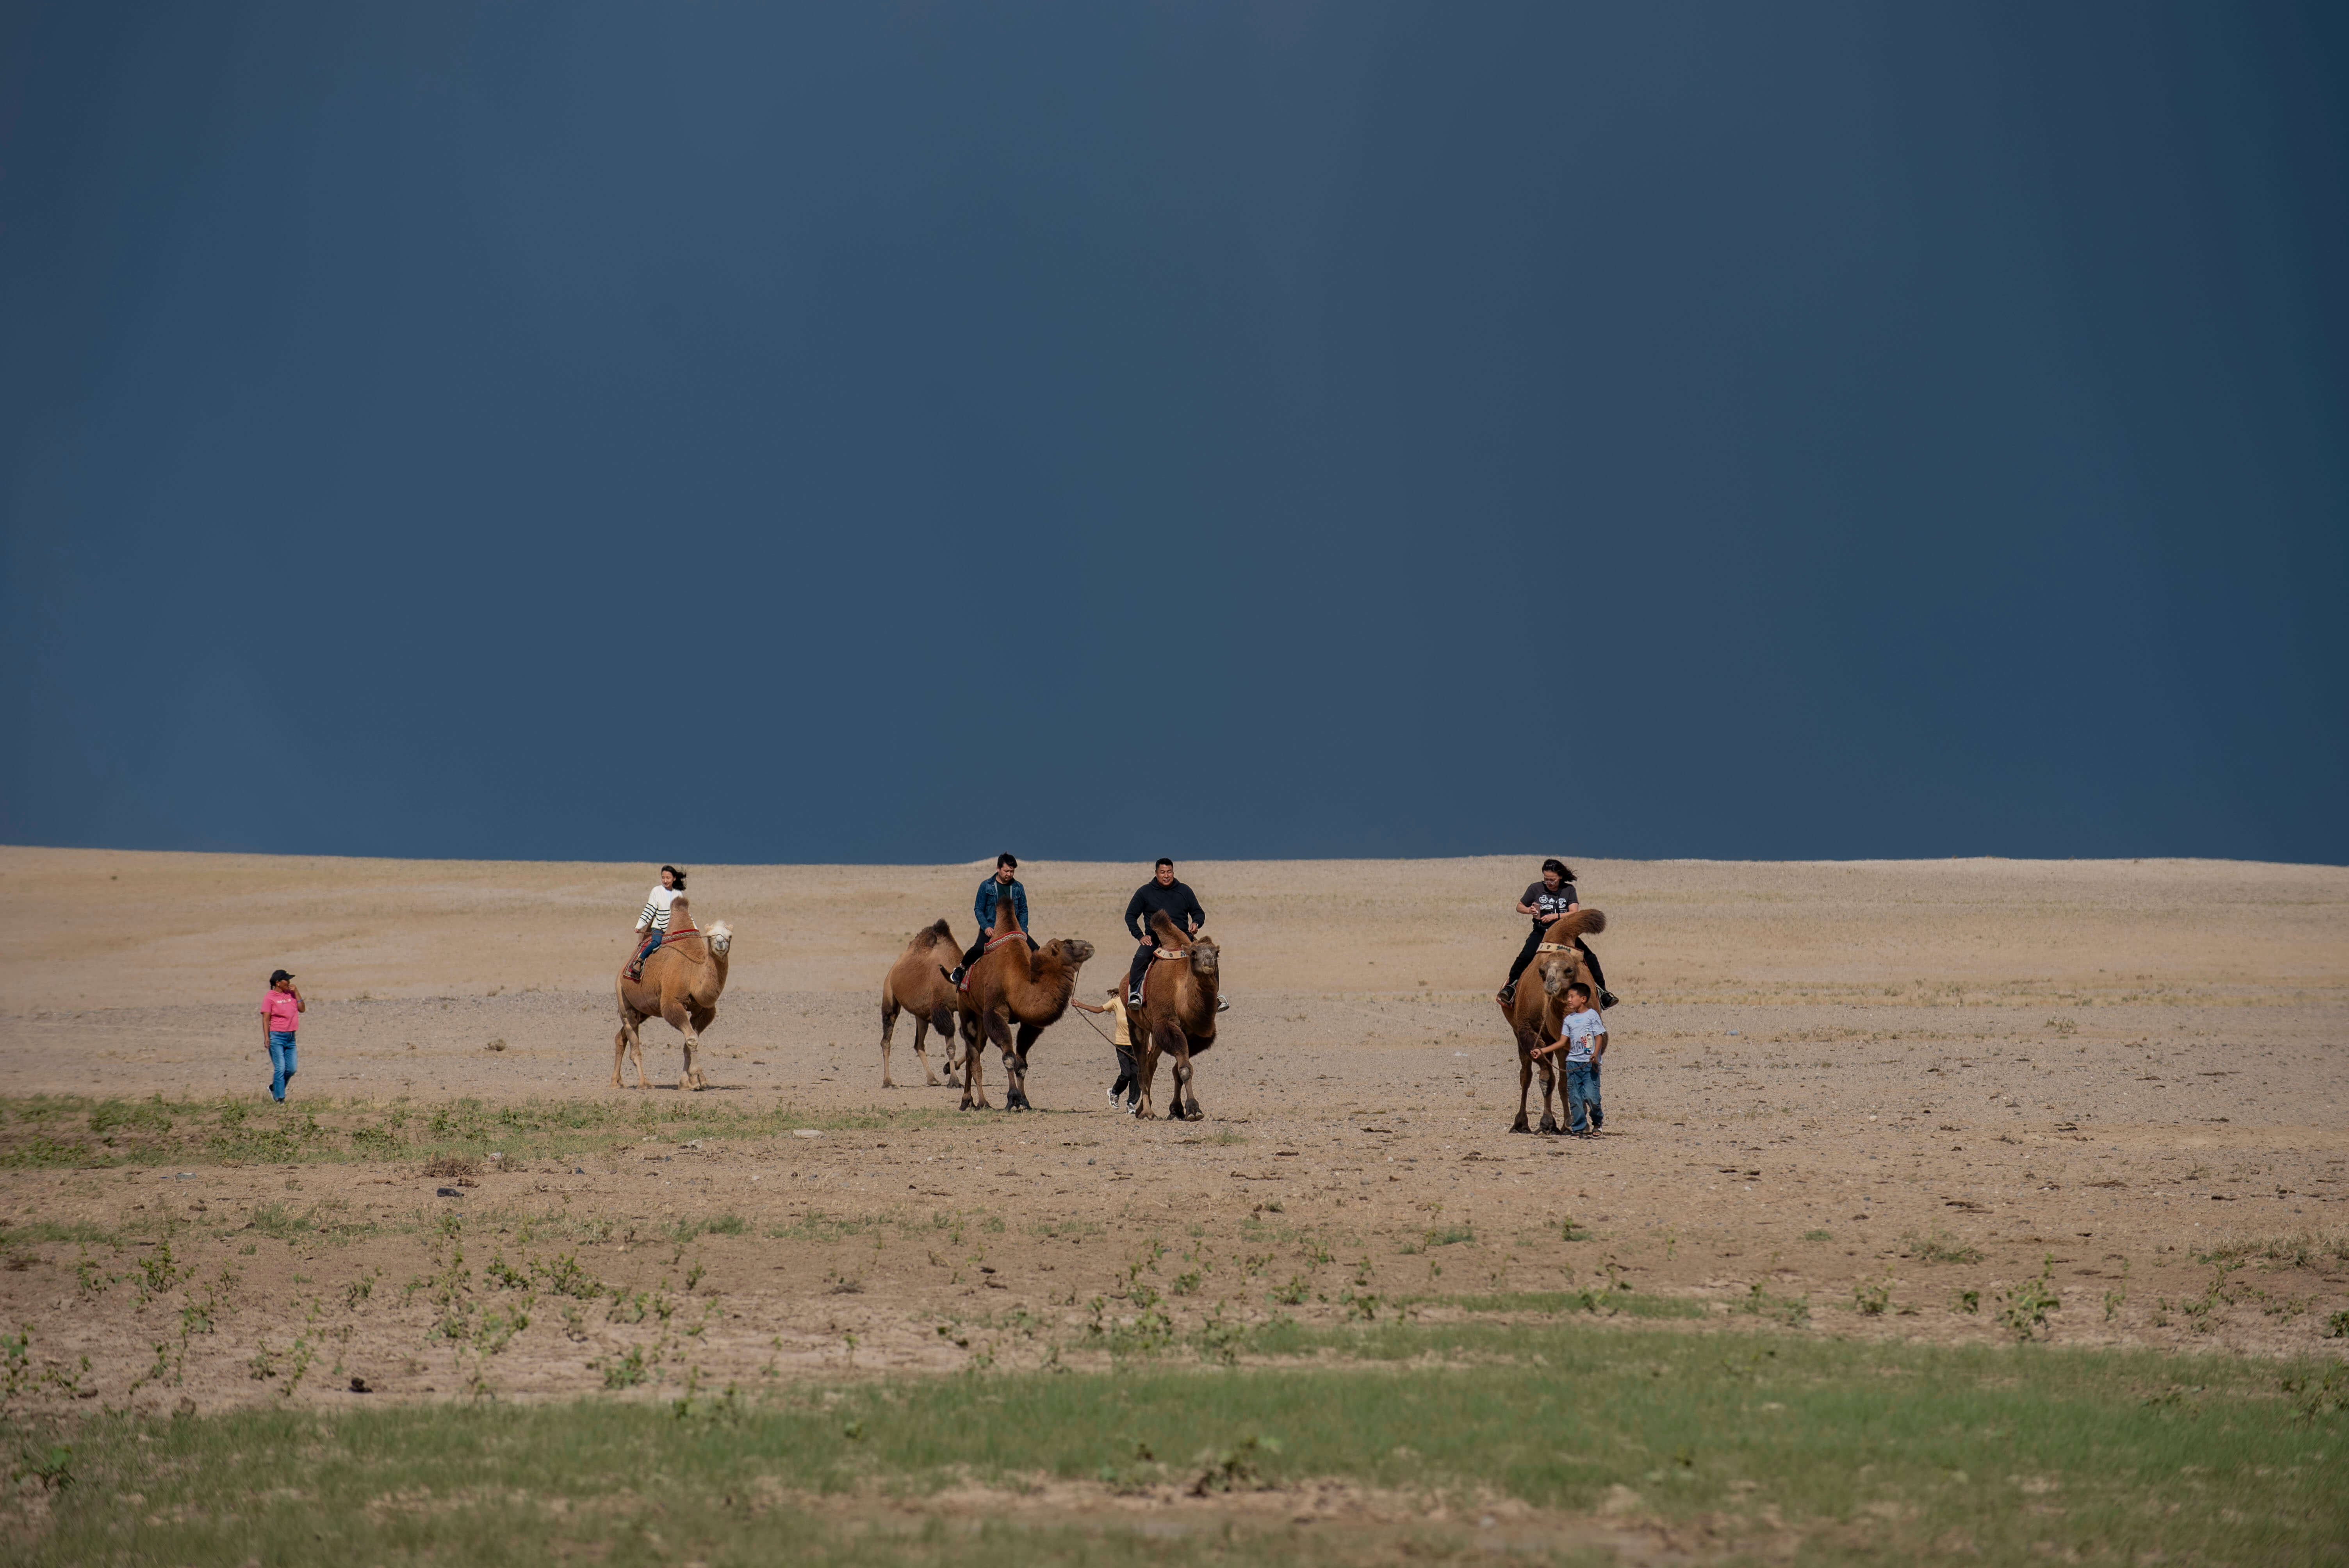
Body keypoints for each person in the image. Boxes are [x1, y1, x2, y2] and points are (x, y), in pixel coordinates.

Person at [1495, 858, 1618, 1009]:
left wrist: (1555, 916)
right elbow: (1519, 906)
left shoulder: (1569, 890)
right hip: (1542, 933)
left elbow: (1574, 912)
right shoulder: (1535, 888)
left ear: (1560, 877)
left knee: (1590, 958)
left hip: (1565, 934)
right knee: (1525, 957)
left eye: (1552, 880)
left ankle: (1603, 993)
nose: (1549, 883)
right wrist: (1529, 910)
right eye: (1546, 879)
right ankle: (1511, 989)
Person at [1123, 857, 1206, 1006]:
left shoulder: (1185, 891)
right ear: (1156, 873)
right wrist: (1140, 936)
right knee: (1140, 958)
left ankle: (1214, 995)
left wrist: (1196, 923)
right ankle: (1135, 994)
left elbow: (1198, 912)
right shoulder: (1144, 892)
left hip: (1184, 937)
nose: (1166, 875)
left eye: (1169, 872)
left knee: (1208, 954)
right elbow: (1130, 916)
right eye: (1162, 872)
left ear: (1173, 872)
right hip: (1156, 938)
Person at [1532, 982, 1607, 1135]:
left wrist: (1595, 1054)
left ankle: (1597, 1122)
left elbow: (1599, 1036)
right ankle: (1579, 1129)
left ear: (1584, 999)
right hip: (1573, 1064)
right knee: (1575, 1099)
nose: (1569, 1000)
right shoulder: (1568, 1020)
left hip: (1589, 1064)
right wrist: (1542, 1051)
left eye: (1572, 997)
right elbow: (1562, 1042)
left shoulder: (1592, 1015)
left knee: (1592, 1097)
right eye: (1568, 997)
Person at [951, 854, 1033, 985]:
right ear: (998, 869)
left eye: (1012, 871)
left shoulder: (1018, 887)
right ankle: (961, 969)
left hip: (1014, 928)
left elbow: (1024, 910)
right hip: (991, 927)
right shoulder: (986, 886)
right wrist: (986, 927)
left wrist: (1023, 930)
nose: (1009, 874)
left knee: (1035, 949)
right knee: (978, 949)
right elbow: (978, 909)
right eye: (1006, 871)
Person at [1071, 984, 1139, 1112]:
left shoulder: (1137, 1002)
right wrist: (1079, 1005)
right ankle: (1114, 1092)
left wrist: (1147, 1045)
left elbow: (1143, 1025)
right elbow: (1098, 1010)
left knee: (1136, 1074)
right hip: (1121, 1044)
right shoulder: (1116, 1001)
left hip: (1136, 1045)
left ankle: (1131, 1103)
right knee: (1126, 1074)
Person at [627, 866, 686, 981]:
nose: (665, 881)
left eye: (668, 878)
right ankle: (639, 962)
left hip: (674, 928)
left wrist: (694, 930)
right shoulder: (657, 891)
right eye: (663, 878)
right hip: (659, 926)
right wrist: (639, 926)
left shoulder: (679, 894)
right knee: (656, 942)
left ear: (674, 878)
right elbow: (649, 910)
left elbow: (684, 914)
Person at [258, 968, 305, 1102]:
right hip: (276, 1037)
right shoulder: (270, 997)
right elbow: (266, 1019)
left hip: (291, 1037)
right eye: (287, 980)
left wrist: (297, 992)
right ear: (278, 983)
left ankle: (275, 1088)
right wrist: (267, 1037)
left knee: (291, 1069)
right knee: (280, 1068)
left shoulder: (291, 994)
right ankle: (280, 1099)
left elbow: (302, 1009)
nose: (289, 983)